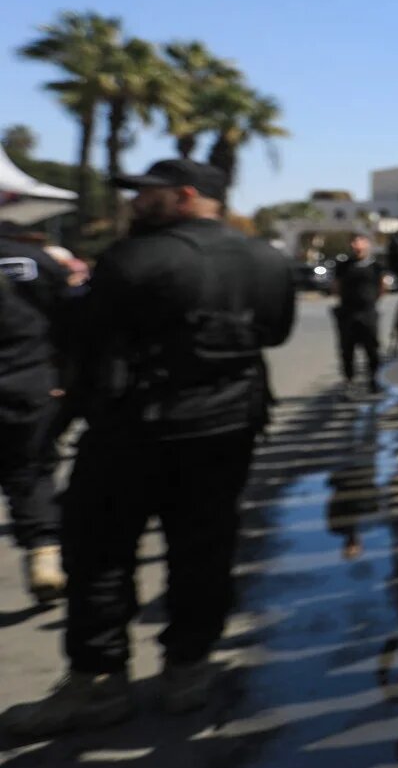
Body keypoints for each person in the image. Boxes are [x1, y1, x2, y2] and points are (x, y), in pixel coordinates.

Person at [2, 158, 294, 737]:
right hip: (226, 426)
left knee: (100, 553)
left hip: (135, 427)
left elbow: (78, 332)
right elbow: (277, 331)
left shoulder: (136, 257)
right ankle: (188, 667)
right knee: (204, 547)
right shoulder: (266, 258)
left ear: (185, 196)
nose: (137, 202)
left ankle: (98, 679)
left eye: (148, 194)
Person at [0, 228, 73, 603]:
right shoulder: (36, 260)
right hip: (29, 381)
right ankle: (44, 550)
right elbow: (70, 317)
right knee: (30, 470)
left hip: (28, 379)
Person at [332, 231, 383, 394]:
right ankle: (349, 380)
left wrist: (372, 300)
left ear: (367, 243)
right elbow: (336, 287)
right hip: (347, 312)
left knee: (372, 348)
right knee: (347, 349)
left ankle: (374, 380)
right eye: (354, 242)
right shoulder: (343, 265)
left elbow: (382, 287)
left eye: (360, 241)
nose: (357, 245)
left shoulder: (375, 266)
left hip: (368, 312)